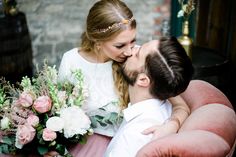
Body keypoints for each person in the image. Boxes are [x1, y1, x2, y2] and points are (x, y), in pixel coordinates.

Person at [45, 0, 190, 157]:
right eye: (120, 46)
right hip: (82, 145)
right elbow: (58, 113)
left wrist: (172, 125)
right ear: (98, 42)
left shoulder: (139, 63)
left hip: (123, 145)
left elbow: (181, 106)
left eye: (133, 41)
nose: (129, 51)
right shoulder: (71, 60)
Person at [104, 37, 194, 157]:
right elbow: (181, 106)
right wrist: (174, 123)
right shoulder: (166, 101)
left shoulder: (134, 135)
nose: (132, 50)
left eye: (138, 53)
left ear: (142, 80)